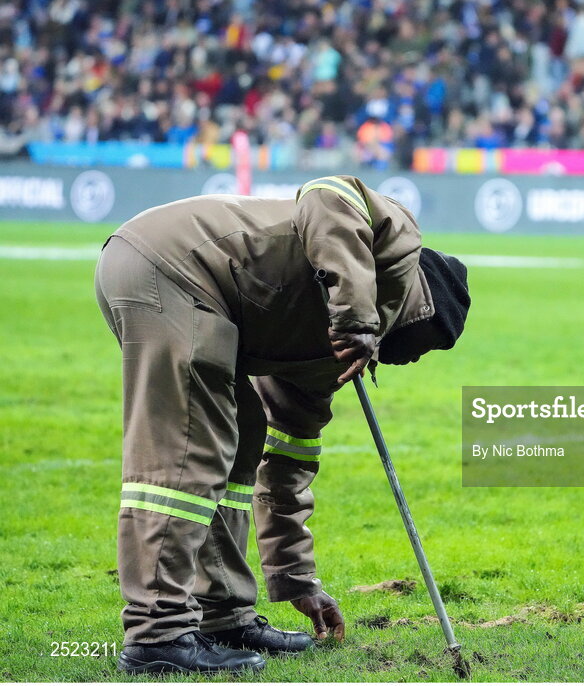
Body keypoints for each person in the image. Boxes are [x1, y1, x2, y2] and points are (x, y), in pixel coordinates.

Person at [94, 176, 471, 674]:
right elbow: (327, 193)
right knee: (186, 452)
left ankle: (223, 615)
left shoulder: (329, 355)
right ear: (417, 311)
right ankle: (157, 635)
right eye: (424, 345)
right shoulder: (396, 243)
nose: (414, 360)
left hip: (201, 293)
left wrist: (297, 579)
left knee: (242, 443)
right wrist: (356, 319)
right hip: (171, 266)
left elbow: (287, 464)